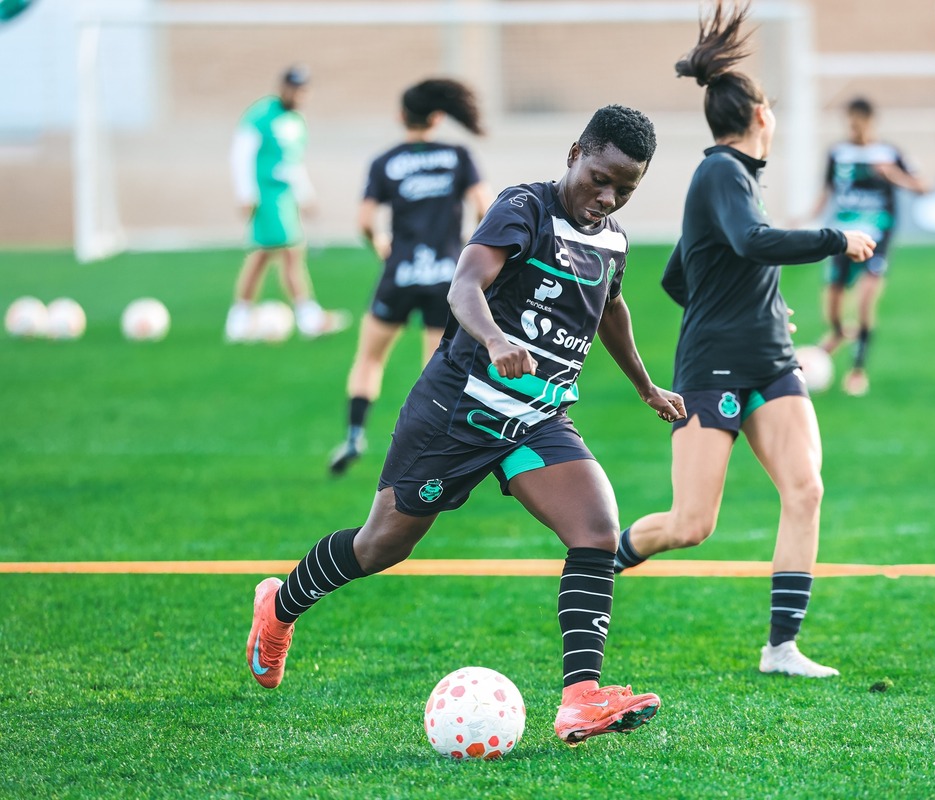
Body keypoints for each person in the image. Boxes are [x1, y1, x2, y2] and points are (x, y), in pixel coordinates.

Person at [246, 104, 686, 745]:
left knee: (595, 531)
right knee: (380, 547)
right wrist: (495, 337)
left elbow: (609, 306)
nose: (607, 196)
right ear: (574, 153)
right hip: (457, 414)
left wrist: (646, 384)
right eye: (599, 177)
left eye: (625, 187)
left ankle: (580, 700)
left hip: (537, 420)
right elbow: (464, 287)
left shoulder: (612, 240)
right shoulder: (524, 210)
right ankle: (279, 607)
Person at [610, 1, 875, 678]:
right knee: (691, 525)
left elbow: (681, 274)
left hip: (771, 362)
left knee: (805, 490)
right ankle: (600, 559)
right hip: (716, 368)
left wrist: (760, 307)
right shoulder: (721, 172)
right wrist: (834, 238)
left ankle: (781, 649)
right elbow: (750, 244)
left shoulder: (737, 181)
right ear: (762, 117)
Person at [330, 79, 492, 475]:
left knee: (369, 358)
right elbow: (485, 208)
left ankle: (354, 435)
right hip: (445, 276)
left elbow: (365, 221)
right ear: (438, 117)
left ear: (402, 116)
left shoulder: (385, 161)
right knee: (433, 369)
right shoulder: (458, 156)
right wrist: (468, 253)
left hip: (399, 272)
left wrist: (381, 245)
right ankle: (430, 447)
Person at [810, 97, 930, 396]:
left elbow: (925, 186)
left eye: (859, 122)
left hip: (877, 235)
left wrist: (894, 176)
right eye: (851, 123)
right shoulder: (837, 153)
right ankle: (839, 331)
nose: (855, 128)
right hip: (842, 235)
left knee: (865, 301)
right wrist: (806, 216)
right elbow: (827, 191)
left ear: (871, 121)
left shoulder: (888, 153)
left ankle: (857, 370)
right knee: (833, 306)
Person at [227, 66, 350, 342]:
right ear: (283, 87)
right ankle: (306, 316)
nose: (299, 94)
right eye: (294, 88)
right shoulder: (261, 115)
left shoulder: (297, 121)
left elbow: (293, 162)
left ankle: (241, 318)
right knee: (288, 252)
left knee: (267, 255)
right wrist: (245, 194)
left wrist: (304, 194)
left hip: (284, 196)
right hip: (265, 193)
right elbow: (241, 155)